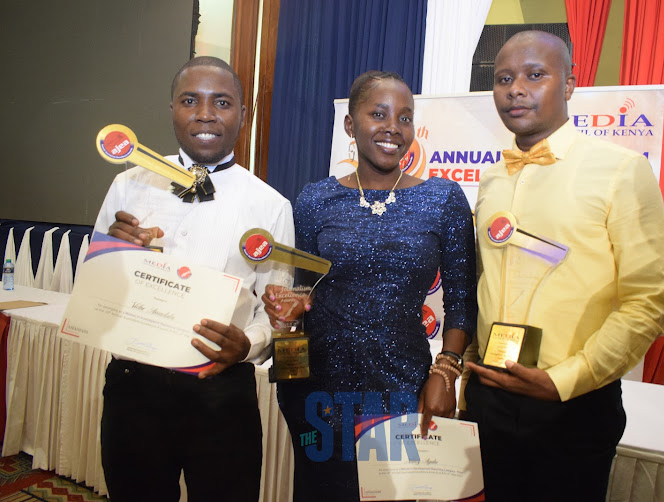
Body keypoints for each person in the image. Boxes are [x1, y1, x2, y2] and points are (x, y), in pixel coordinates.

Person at [461, 31, 664, 502]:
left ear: (571, 84)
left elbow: (650, 302)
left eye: (535, 75)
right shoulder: (494, 178)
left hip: (574, 405)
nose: (516, 88)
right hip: (489, 399)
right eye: (503, 78)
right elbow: (486, 280)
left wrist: (563, 381)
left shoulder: (620, 170)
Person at [263, 70, 477, 502]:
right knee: (321, 492)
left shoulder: (443, 199)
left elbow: (462, 302)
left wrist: (445, 371)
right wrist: (285, 308)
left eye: (404, 118)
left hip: (402, 387)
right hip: (316, 390)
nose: (392, 129)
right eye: (378, 114)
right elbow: (305, 289)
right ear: (349, 124)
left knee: (396, 494)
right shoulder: (314, 198)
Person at [94, 56, 294, 502]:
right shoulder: (128, 186)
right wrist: (112, 255)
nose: (205, 113)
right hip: (134, 386)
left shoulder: (271, 206)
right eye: (191, 100)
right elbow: (93, 284)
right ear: (172, 110)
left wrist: (251, 343)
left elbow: (278, 312)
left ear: (244, 114)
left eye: (221, 102)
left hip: (221, 392)